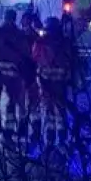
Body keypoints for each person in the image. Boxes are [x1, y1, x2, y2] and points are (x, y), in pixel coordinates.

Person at [0, 9, 29, 138]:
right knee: (12, 101)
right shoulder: (19, 35)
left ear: (5, 17)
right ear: (15, 19)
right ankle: (9, 128)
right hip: (13, 74)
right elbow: (25, 54)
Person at [31, 15, 74, 148]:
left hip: (45, 82)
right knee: (61, 111)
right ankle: (62, 139)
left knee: (49, 111)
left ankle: (50, 139)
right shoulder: (66, 42)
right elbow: (72, 61)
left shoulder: (40, 43)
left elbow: (34, 57)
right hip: (61, 83)